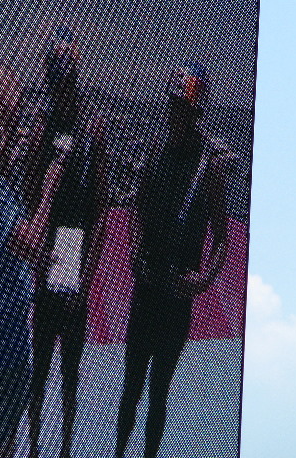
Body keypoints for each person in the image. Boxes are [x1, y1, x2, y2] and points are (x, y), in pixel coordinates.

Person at [114, 64, 230, 458]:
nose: (174, 117)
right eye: (172, 109)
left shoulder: (209, 165)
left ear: (195, 115)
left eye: (182, 110)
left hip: (177, 300)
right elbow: (136, 213)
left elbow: (222, 237)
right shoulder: (155, 154)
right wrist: (133, 255)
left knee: (159, 391)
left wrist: (204, 280)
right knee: (130, 388)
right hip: (147, 291)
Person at [0, 68, 68, 458]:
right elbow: (30, 239)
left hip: (11, 335)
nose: (19, 133)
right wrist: (51, 183)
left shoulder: (1, 183)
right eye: (12, 120)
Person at [26, 28, 109, 458]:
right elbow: (29, 200)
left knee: (70, 370)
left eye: (66, 81)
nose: (61, 91)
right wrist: (40, 264)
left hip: (71, 249)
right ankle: (40, 445)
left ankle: (64, 447)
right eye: (55, 82)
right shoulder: (43, 131)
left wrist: (84, 276)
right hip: (51, 251)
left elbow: (98, 213)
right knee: (40, 368)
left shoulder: (90, 130)